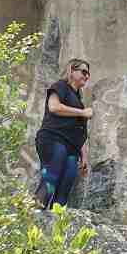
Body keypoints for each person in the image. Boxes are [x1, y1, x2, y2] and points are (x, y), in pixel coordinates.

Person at [34, 59, 93, 209]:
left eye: (88, 74)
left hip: (72, 148)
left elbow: (82, 134)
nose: (86, 76)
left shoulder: (79, 102)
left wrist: (84, 157)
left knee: (66, 185)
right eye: (83, 72)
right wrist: (82, 112)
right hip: (53, 139)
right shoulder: (60, 87)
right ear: (72, 71)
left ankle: (54, 226)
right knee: (51, 177)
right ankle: (33, 216)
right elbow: (54, 107)